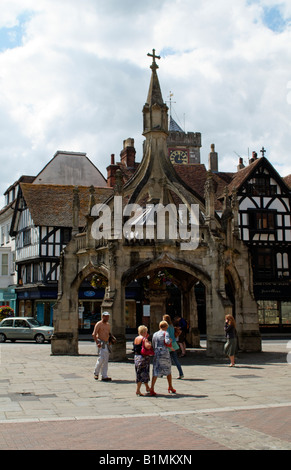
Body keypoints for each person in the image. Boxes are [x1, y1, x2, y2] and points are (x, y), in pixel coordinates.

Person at [150, 320, 176, 396]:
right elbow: (167, 342)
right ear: (166, 327)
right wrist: (171, 344)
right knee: (168, 369)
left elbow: (153, 343)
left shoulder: (155, 334)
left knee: (155, 370)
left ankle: (152, 388)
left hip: (157, 353)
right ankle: (170, 386)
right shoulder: (165, 333)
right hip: (164, 353)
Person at [92, 311, 112, 381]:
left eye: (108, 316)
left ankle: (104, 375)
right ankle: (96, 372)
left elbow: (108, 334)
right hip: (101, 342)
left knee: (106, 359)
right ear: (102, 316)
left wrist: (111, 339)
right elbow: (94, 334)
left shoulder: (108, 325)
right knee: (101, 358)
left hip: (106, 343)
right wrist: (97, 342)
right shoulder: (99, 324)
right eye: (105, 316)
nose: (107, 318)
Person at [163, 314, 184, 379]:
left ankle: (163, 373)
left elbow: (167, 336)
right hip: (174, 344)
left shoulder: (167, 327)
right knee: (175, 360)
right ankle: (181, 373)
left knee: (164, 360)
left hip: (169, 344)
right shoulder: (172, 326)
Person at [133, 325, 152, 396]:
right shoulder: (144, 339)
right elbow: (148, 346)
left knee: (142, 373)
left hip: (136, 357)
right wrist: (150, 343)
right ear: (144, 332)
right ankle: (138, 390)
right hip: (143, 358)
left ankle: (147, 387)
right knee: (142, 374)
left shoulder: (136, 338)